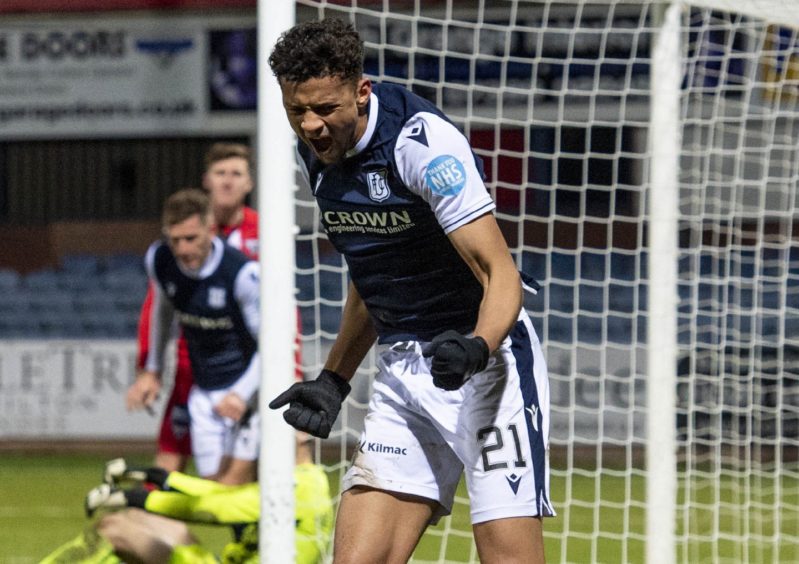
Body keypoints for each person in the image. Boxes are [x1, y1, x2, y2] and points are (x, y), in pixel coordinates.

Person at [267, 18, 554, 564]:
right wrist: (334, 379)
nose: (311, 125)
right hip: (405, 373)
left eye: (325, 108)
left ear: (361, 91)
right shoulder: (319, 152)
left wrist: (477, 347)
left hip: (489, 370)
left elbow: (502, 275)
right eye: (296, 111)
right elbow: (374, 271)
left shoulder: (422, 143)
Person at [127, 143, 259, 474]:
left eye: (236, 174)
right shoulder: (161, 258)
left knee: (291, 444)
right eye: (220, 173)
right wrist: (151, 368)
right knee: (179, 454)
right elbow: (158, 310)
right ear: (207, 181)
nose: (228, 182)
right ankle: (154, 517)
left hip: (250, 366)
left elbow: (275, 328)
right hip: (194, 368)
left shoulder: (256, 245)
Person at [41, 437, 333, 564]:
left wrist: (136, 497)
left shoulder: (299, 485)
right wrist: (159, 477)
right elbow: (220, 495)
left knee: (115, 529)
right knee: (150, 523)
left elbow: (215, 509)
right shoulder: (302, 478)